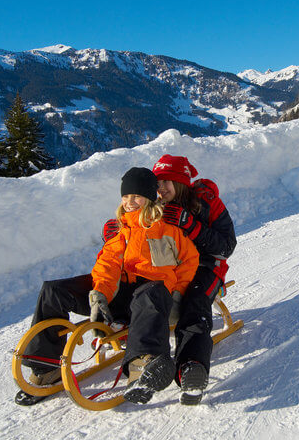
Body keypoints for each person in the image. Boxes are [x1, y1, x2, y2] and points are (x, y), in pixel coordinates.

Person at [17, 167, 199, 406]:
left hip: (151, 299)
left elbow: (190, 260)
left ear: (150, 198)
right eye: (125, 197)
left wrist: (178, 294)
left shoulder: (169, 230)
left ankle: (142, 366)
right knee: (54, 291)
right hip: (119, 296)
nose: (129, 202)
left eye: (136, 197)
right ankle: (44, 368)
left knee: (151, 291)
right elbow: (107, 266)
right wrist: (99, 296)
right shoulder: (120, 231)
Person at [151, 154, 237, 405]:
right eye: (158, 182)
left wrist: (191, 225)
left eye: (168, 181)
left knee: (194, 302)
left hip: (207, 266)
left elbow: (226, 246)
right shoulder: (154, 206)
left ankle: (192, 368)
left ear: (182, 182)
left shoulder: (205, 201)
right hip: (172, 268)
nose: (162, 188)